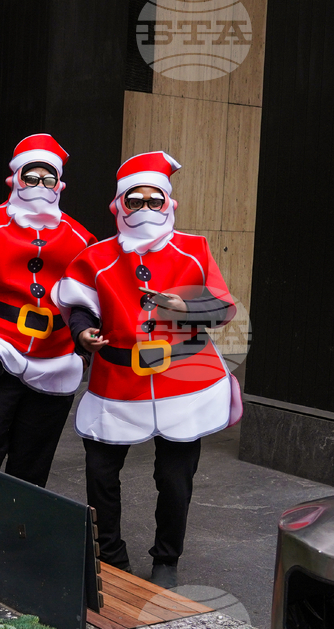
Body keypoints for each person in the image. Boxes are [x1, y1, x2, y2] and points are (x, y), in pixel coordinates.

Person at [55, 151, 242, 588]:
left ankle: (167, 560)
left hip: (185, 380)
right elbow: (78, 307)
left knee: (174, 478)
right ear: (119, 207)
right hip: (117, 381)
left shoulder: (194, 249)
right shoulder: (95, 257)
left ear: (168, 204)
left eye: (152, 201)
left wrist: (186, 306)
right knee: (101, 471)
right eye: (133, 201)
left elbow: (223, 307)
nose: (143, 210)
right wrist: (83, 334)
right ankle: (111, 557)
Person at [0, 133, 96, 487]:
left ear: (59, 185)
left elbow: (88, 302)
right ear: (15, 179)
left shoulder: (81, 238)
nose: (40, 185)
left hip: (56, 356)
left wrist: (81, 353)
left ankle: (17, 533)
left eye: (49, 178)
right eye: (31, 177)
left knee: (34, 458)